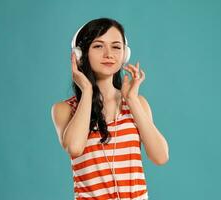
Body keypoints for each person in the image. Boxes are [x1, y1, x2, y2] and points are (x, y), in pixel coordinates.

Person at [51, 17, 169, 200]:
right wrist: (87, 91)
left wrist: (131, 100)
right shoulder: (64, 109)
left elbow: (160, 157)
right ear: (80, 55)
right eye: (98, 46)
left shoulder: (137, 103)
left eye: (116, 46)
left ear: (125, 54)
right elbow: (74, 148)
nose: (109, 54)